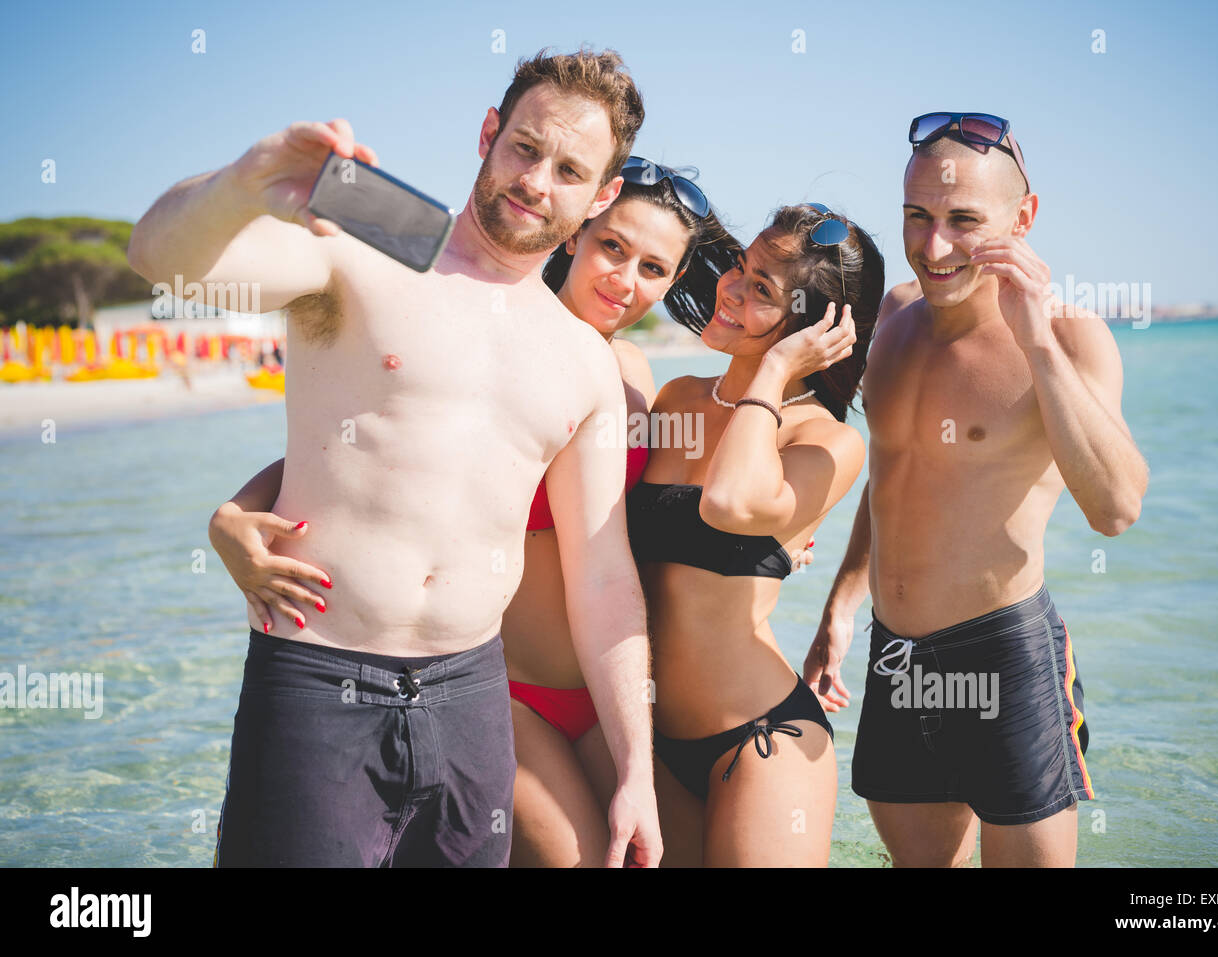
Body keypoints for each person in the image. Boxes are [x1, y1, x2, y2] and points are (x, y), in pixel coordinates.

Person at [127, 48, 661, 867]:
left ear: (602, 194)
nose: (535, 181)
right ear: (489, 132)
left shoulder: (580, 358)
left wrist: (636, 769)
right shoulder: (368, 245)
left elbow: (604, 575)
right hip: (318, 680)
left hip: (471, 700)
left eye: (568, 169)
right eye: (524, 147)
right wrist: (246, 179)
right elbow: (159, 256)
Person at [210, 158, 742, 866]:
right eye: (613, 247)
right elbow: (376, 451)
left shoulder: (634, 380)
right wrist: (234, 511)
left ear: (674, 281)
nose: (624, 279)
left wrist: (753, 541)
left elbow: (616, 533)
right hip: (497, 692)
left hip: (603, 689)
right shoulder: (490, 335)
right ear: (577, 231)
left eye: (653, 267)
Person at [805, 113, 1149, 867]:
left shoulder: (1072, 336)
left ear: (1022, 218)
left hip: (1002, 652)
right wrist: (840, 604)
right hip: (895, 656)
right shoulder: (892, 316)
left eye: (964, 221)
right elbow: (893, 476)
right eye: (917, 218)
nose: (934, 247)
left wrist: (1034, 342)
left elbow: (1117, 507)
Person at [630, 203, 884, 866]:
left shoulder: (826, 441)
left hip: (761, 744)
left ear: (817, 328)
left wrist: (772, 372)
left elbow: (729, 502)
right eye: (741, 266)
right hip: (647, 743)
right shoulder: (675, 398)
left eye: (764, 290)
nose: (732, 288)